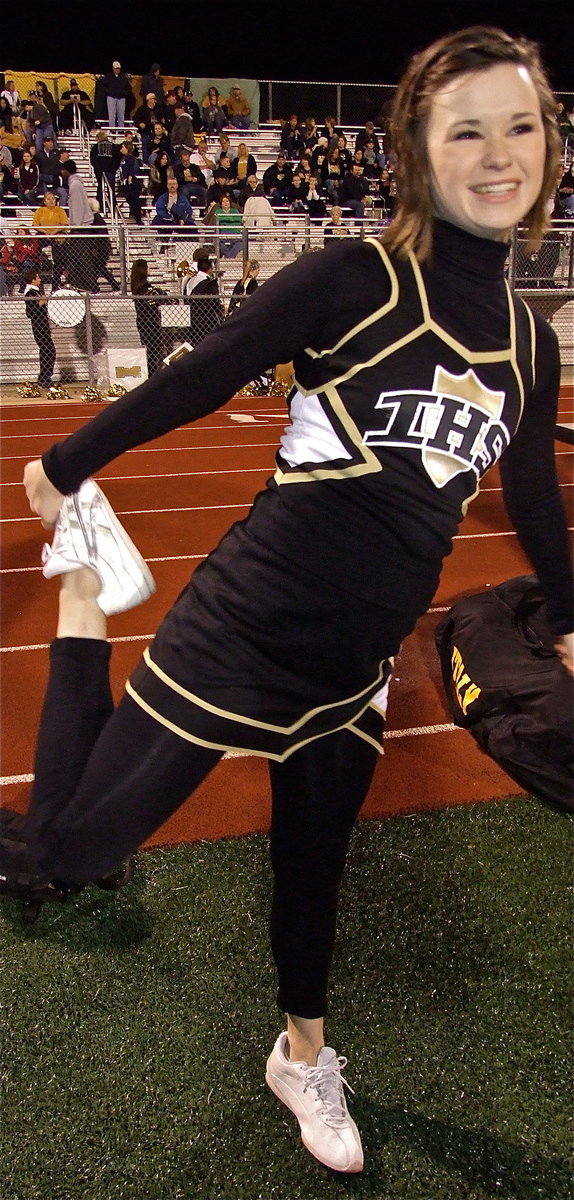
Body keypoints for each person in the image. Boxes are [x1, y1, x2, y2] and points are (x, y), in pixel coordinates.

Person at [4, 25, 573, 1181]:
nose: (498, 152)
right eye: (465, 128)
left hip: (350, 669)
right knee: (63, 851)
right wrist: (70, 461)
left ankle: (300, 1052)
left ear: (550, 147)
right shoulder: (358, 279)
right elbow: (207, 369)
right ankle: (84, 590)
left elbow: (532, 497)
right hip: (242, 631)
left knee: (315, 873)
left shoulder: (526, 339)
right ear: (418, 149)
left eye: (521, 125)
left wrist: (569, 612)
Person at [131, 257, 166, 376]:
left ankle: (152, 373)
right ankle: (152, 375)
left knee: (151, 350)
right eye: (147, 267)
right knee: (153, 351)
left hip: (143, 321)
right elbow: (157, 301)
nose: (149, 268)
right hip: (150, 322)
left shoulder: (138, 286)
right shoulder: (144, 288)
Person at [22, 267, 56, 387]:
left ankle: (45, 377)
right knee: (48, 351)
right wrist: (40, 304)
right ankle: (44, 378)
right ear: (33, 280)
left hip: (42, 327)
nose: (40, 279)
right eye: (38, 277)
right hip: (39, 328)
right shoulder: (31, 293)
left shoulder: (36, 292)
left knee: (47, 351)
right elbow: (29, 313)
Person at [90, 130, 121, 209]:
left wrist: (97, 168)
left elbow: (92, 159)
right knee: (111, 188)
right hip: (110, 170)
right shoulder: (114, 146)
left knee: (100, 187)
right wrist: (113, 169)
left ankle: (99, 205)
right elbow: (118, 159)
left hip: (99, 171)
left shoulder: (95, 147)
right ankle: (113, 205)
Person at [102, 62, 133, 129]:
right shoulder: (109, 76)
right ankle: (112, 129)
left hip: (121, 98)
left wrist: (124, 93)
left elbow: (128, 88)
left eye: (119, 68)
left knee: (121, 115)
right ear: (113, 68)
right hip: (111, 97)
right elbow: (103, 87)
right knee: (112, 115)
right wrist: (110, 92)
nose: (117, 70)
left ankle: (121, 129)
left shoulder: (123, 77)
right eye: (116, 68)